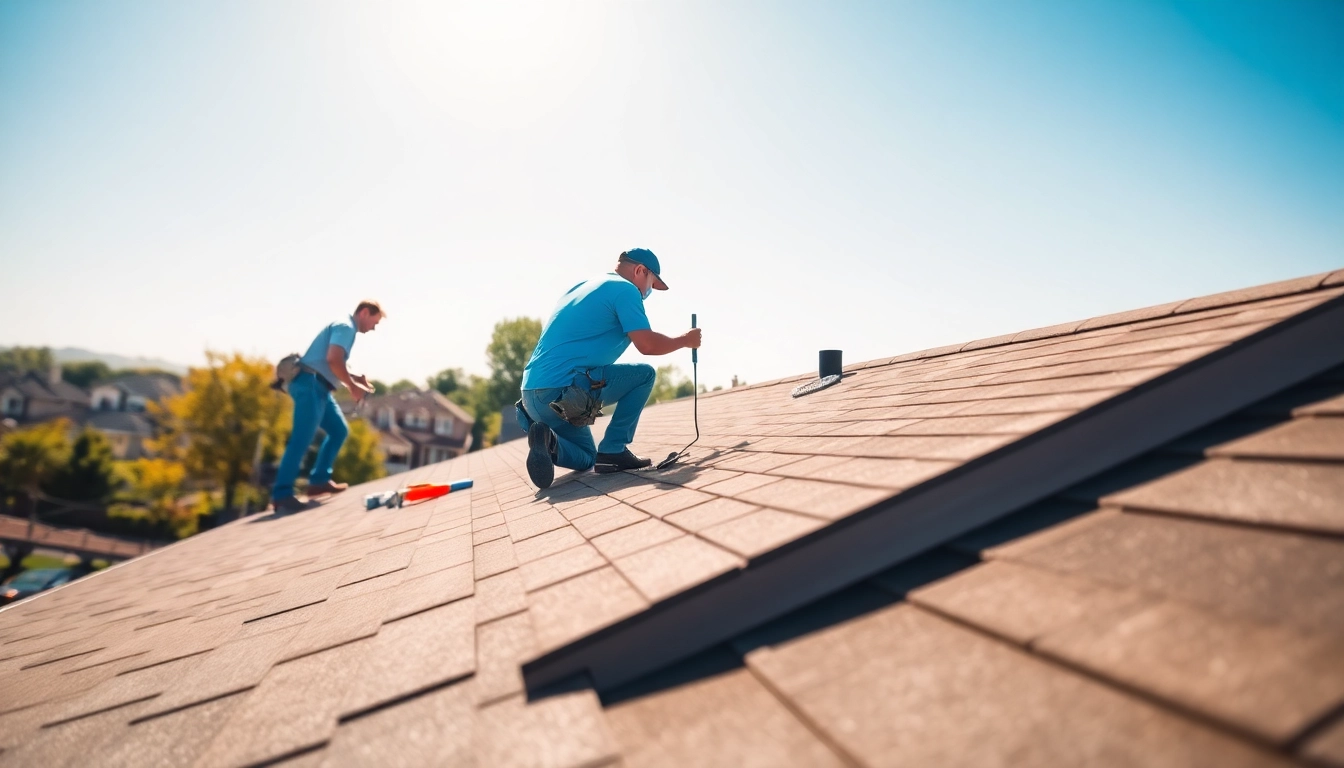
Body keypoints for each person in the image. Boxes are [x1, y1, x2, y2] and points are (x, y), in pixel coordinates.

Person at [517, 249, 702, 489]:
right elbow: (646, 345)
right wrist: (685, 340)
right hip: (563, 392)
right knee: (644, 376)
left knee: (586, 457)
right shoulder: (626, 290)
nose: (647, 293)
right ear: (640, 271)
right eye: (651, 285)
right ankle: (614, 450)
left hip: (532, 397)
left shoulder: (584, 286)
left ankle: (548, 440)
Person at [271, 300, 383, 513]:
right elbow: (333, 360)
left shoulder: (345, 328)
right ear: (365, 312)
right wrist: (352, 387)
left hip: (320, 386)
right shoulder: (346, 327)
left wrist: (356, 377)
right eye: (374, 322)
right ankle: (282, 495)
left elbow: (331, 362)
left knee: (338, 430)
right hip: (309, 384)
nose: (373, 328)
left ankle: (318, 481)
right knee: (301, 439)